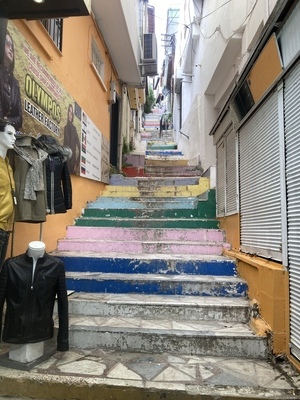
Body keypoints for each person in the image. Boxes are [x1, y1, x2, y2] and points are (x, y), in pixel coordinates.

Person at [0, 241, 69, 351]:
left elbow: (63, 304)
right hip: (14, 329)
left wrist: (63, 341)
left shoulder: (56, 266)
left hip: (42, 329)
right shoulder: (11, 265)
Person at [0, 119, 16, 271]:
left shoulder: (7, 165)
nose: (14, 138)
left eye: (15, 134)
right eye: (9, 133)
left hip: (5, 227)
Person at [0, 30, 23, 131]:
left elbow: (19, 118)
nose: (10, 49)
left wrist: (8, 121)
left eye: (12, 46)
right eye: (7, 44)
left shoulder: (15, 84)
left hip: (7, 133)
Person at [63, 103, 80, 174]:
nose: (70, 114)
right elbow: (64, 145)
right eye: (69, 111)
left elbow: (80, 148)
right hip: (66, 162)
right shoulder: (65, 128)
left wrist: (77, 164)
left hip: (73, 164)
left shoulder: (74, 129)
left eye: (71, 112)